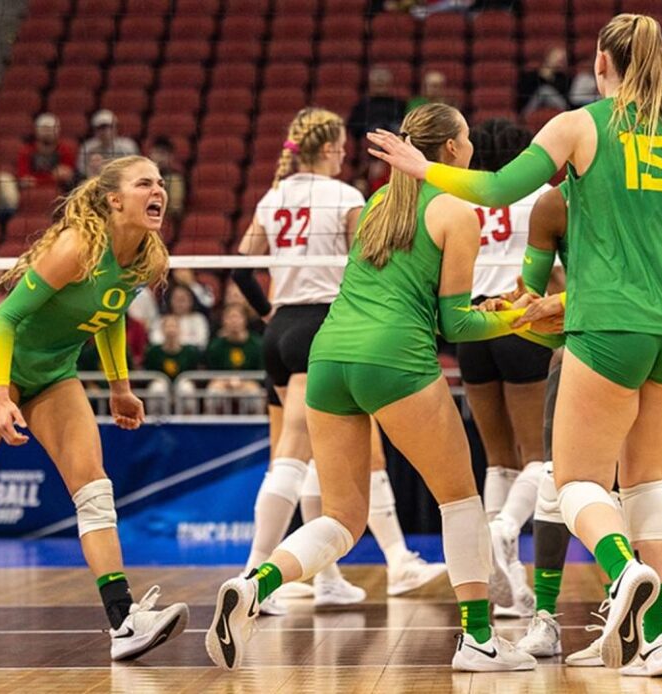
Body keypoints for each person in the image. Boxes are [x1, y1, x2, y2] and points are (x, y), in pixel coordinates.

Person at [366, 13, 662, 672]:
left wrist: (424, 168)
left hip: (610, 327)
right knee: (647, 478)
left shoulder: (580, 124)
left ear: (601, 62)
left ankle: (625, 573)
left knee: (574, 482)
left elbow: (499, 187)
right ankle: (657, 640)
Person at [207, 103, 549, 673]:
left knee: (341, 517)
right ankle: (480, 641)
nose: (470, 146)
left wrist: (494, 312)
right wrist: (520, 318)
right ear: (451, 150)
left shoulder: (374, 206)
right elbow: (457, 325)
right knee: (460, 499)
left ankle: (256, 582)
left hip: (329, 356)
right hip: (393, 358)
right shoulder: (457, 210)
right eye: (464, 137)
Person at [0, 156, 188, 662]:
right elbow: (4, 321)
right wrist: (1, 396)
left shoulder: (147, 257)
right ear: (115, 199)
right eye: (144, 184)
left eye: (160, 183)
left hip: (54, 373)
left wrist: (120, 386)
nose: (157, 190)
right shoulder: (76, 248)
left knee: (93, 487)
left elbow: (110, 313)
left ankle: (124, 621)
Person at [232, 107, 369, 610]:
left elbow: (241, 268)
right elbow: (362, 269)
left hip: (282, 328)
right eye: (342, 148)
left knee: (319, 457)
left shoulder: (274, 197)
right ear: (331, 148)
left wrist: (268, 313)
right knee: (292, 452)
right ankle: (254, 571)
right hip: (321, 327)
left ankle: (327, 575)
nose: (345, 155)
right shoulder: (346, 196)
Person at [455, 119, 552, 618]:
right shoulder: (535, 199)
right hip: (519, 318)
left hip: (472, 323)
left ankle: (510, 585)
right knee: (540, 454)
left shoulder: (464, 203)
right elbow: (553, 268)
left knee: (497, 460)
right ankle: (506, 530)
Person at [205, 303, 263, 406]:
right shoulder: (216, 346)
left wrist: (243, 382)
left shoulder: (257, 344)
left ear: (245, 320)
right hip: (223, 382)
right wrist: (227, 382)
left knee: (254, 393)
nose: (234, 321)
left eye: (237, 317)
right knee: (214, 391)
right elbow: (211, 372)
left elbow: (261, 372)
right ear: (224, 321)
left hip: (249, 382)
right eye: (230, 317)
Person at [17, 113, 77, 190]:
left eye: (51, 129)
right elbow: (25, 179)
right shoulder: (25, 151)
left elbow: (67, 176)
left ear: (58, 131)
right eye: (44, 129)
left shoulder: (66, 150)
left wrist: (37, 179)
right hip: (32, 191)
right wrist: (52, 177)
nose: (47, 133)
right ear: (36, 131)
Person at [347, 67, 407, 141]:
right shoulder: (362, 105)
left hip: (394, 135)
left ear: (389, 84)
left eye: (382, 84)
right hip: (371, 136)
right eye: (377, 84)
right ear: (370, 84)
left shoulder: (399, 104)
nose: (380, 86)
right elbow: (354, 127)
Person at [517, 45, 571, 115]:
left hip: (557, 110)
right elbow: (524, 95)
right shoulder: (531, 76)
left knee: (546, 91)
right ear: (548, 57)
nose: (560, 60)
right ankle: (524, 117)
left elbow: (564, 98)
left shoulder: (563, 79)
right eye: (557, 56)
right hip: (531, 108)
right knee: (544, 91)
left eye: (563, 59)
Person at [147, 137, 186, 219]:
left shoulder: (175, 178)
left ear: (170, 157)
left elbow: (175, 208)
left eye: (162, 154)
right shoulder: (142, 176)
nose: (158, 158)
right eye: (156, 153)